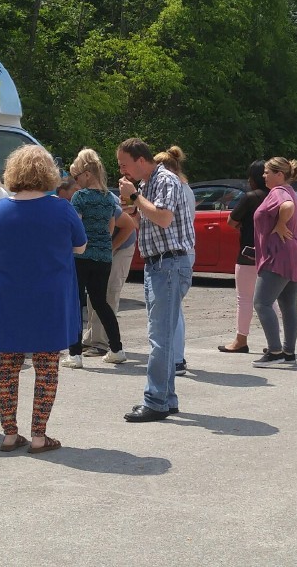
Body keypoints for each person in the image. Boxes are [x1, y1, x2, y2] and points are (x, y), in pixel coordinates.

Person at [0, 145, 85, 452]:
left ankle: (9, 434)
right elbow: (80, 246)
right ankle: (39, 435)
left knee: (8, 366)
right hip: (49, 298)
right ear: (48, 173)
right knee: (47, 366)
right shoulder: (62, 209)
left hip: (9, 298)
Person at [117, 138, 194, 422]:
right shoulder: (149, 183)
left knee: (160, 338)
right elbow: (148, 222)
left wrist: (135, 198)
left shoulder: (164, 180)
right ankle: (167, 398)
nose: (122, 170)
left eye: (124, 164)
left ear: (140, 160)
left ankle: (155, 401)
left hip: (169, 265)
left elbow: (163, 218)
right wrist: (133, 209)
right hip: (160, 265)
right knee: (163, 337)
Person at [63, 148, 127, 367]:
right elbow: (111, 227)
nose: (76, 181)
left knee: (76, 302)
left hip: (81, 256)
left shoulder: (80, 197)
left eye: (77, 176)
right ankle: (116, 348)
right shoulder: (109, 198)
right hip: (104, 257)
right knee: (101, 302)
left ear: (87, 174)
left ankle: (74, 354)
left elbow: (76, 227)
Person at [252, 157, 297, 367]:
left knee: (261, 303)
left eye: (267, 172)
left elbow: (286, 207)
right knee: (288, 306)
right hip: (294, 255)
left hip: (279, 256)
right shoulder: (289, 190)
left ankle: (275, 352)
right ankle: (288, 352)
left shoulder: (278, 192)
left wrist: (280, 223)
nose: (263, 175)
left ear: (279, 174)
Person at [219, 160, 268, 353]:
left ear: (253, 178)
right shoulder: (278, 196)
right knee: (270, 299)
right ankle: (274, 341)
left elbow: (231, 221)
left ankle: (241, 340)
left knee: (244, 298)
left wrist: (243, 226)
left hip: (248, 253)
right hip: (271, 254)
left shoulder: (251, 197)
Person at [81, 192, 138, 356]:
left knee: (108, 293)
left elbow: (129, 226)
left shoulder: (104, 199)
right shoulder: (80, 198)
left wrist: (110, 249)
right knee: (95, 293)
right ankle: (92, 338)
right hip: (102, 249)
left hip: (121, 246)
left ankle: (102, 343)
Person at [154, 146, 193, 376]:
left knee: (172, 310)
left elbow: (163, 219)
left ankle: (176, 360)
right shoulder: (186, 188)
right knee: (175, 309)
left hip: (177, 253)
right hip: (185, 251)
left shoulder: (173, 187)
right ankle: (177, 357)